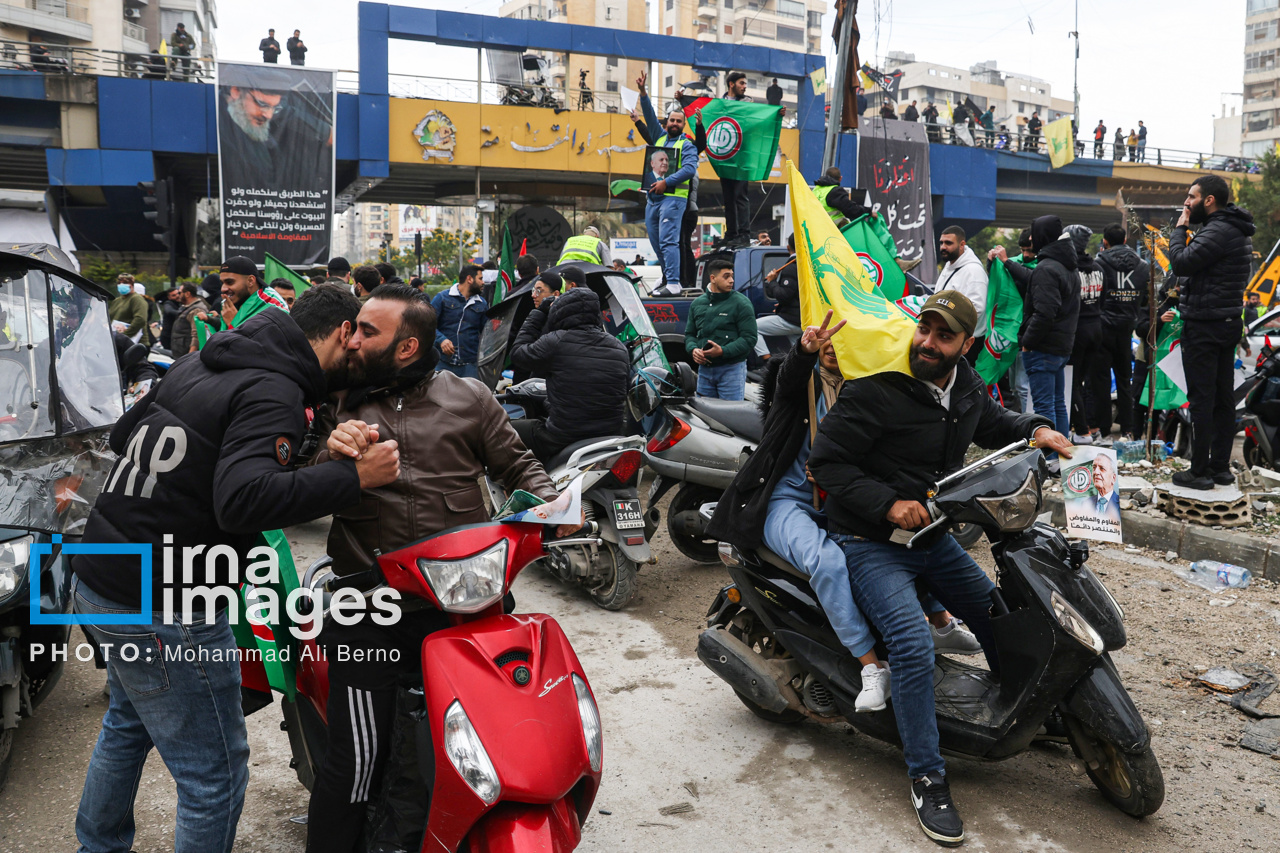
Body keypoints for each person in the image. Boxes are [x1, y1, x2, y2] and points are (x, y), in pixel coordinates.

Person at [72, 285, 393, 853]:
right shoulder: (275, 390)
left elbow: (123, 437)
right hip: (165, 605)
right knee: (213, 776)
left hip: (100, 574)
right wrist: (353, 479)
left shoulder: (207, 356)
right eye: (361, 338)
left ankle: (97, 845)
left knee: (128, 723)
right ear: (342, 331)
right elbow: (243, 501)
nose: (364, 351)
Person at [304, 285, 561, 853]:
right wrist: (333, 452)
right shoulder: (338, 398)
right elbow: (299, 476)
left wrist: (554, 511)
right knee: (355, 763)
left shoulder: (469, 396)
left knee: (507, 738)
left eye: (368, 330)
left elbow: (520, 467)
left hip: (466, 603)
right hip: (367, 602)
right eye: (353, 327)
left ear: (406, 346)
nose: (353, 337)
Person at [806, 291, 1068, 846]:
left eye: (942, 335)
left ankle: (1021, 705)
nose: (927, 342)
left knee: (994, 611)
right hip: (870, 538)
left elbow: (993, 421)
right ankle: (927, 774)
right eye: (923, 329)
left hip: (931, 537)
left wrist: (1037, 428)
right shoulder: (877, 386)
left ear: (964, 345)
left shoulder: (966, 383)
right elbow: (826, 461)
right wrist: (885, 503)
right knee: (913, 643)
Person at [708, 313, 983, 716]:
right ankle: (872, 667)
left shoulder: (867, 386)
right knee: (830, 563)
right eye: (827, 343)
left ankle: (940, 622)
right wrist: (805, 351)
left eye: (844, 341)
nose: (834, 349)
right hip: (787, 498)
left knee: (905, 542)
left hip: (840, 501)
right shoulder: (800, 381)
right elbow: (782, 386)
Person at [1167, 175, 1256, 489]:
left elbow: (1181, 262)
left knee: (1203, 399)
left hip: (1205, 325)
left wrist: (1180, 229)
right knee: (1221, 398)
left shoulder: (1218, 230)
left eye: (1191, 197)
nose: (1186, 204)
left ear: (1209, 200)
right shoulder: (1234, 229)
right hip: (1226, 322)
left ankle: (1200, 471)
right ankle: (1219, 467)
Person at [509, 287, 630, 462]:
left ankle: (518, 484)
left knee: (500, 430)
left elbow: (518, 353)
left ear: (560, 312)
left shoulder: (556, 341)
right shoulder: (619, 347)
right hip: (611, 435)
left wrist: (538, 312)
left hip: (562, 436)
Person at [993, 216, 1079, 461]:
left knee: (1043, 408)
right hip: (1061, 347)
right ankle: (1065, 457)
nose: (1031, 239)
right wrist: (1008, 263)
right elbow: (1034, 282)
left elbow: (1044, 312)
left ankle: (1050, 460)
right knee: (1058, 403)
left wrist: (1027, 341)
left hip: (1042, 348)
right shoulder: (1065, 265)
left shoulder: (1047, 268)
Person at [636, 75, 697, 295]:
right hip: (653, 199)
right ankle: (666, 275)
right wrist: (643, 92)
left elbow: (689, 170)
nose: (675, 124)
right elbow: (650, 116)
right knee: (656, 242)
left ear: (682, 125)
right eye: (672, 120)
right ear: (667, 122)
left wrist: (666, 182)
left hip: (673, 199)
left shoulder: (687, 145)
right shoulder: (659, 138)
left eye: (679, 121)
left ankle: (673, 282)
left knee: (669, 241)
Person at [1094, 225, 1147, 440]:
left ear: (1105, 241)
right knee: (1125, 382)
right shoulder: (1143, 266)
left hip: (1103, 329)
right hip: (1127, 330)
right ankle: (1128, 429)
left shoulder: (1098, 264)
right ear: (1125, 239)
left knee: (1101, 382)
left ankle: (1104, 430)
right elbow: (1144, 300)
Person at [685, 258, 756, 400]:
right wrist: (693, 349)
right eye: (726, 276)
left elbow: (749, 339)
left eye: (732, 276)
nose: (731, 280)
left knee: (730, 417)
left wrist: (723, 351)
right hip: (704, 371)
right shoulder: (697, 304)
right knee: (704, 416)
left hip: (732, 370)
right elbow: (689, 334)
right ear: (713, 278)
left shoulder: (741, 303)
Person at [1064, 225, 1104, 443]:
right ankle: (1085, 426)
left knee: (1071, 380)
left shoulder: (1069, 269)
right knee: (1083, 381)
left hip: (1077, 329)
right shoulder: (1098, 268)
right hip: (1096, 327)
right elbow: (1103, 300)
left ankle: (1081, 431)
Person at [936, 226, 989, 359]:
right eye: (941, 242)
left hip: (966, 343)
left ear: (962, 245)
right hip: (947, 336)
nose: (943, 247)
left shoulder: (973, 271)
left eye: (948, 243)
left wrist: (950, 325)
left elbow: (976, 308)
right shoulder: (950, 265)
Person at [430, 263, 487, 378]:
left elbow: (486, 333)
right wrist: (441, 340)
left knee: (469, 396)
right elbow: (426, 324)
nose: (483, 282)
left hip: (470, 366)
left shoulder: (482, 303)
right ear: (469, 279)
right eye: (480, 278)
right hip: (442, 363)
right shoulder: (442, 298)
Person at [719, 71, 754, 246]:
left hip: (742, 158)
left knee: (740, 195)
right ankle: (732, 233)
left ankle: (744, 234)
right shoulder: (719, 103)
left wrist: (778, 113)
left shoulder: (748, 103)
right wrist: (682, 100)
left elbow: (759, 119)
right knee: (728, 197)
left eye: (745, 83)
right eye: (741, 83)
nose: (744, 86)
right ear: (731, 84)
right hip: (725, 157)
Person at [755, 234, 802, 361]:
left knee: (752, 327)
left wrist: (772, 281)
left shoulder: (792, 267)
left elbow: (784, 295)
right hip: (802, 318)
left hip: (792, 320)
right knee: (799, 354)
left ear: (788, 248)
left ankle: (768, 360)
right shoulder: (806, 265)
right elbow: (796, 294)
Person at [170, 281, 210, 355]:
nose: (178, 296)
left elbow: (197, 335)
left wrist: (190, 356)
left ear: (187, 294)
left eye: (180, 293)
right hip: (181, 354)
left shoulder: (196, 310)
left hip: (186, 355)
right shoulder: (187, 308)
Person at [108, 274, 149, 343]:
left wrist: (124, 335)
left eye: (125, 283)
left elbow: (140, 319)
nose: (121, 285)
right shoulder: (117, 301)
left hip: (134, 342)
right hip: (117, 340)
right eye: (119, 283)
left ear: (131, 285)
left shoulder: (137, 299)